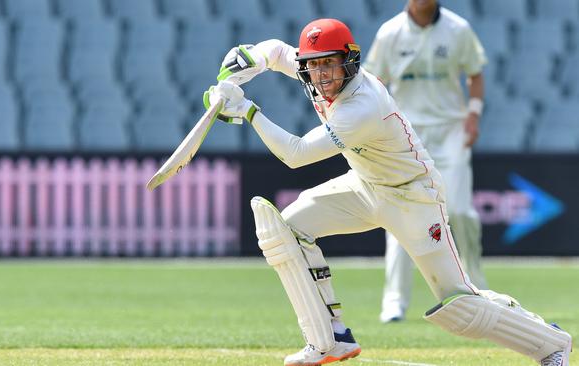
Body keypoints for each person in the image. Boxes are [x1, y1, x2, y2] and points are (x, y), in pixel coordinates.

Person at [205, 18, 571, 366]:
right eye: (314, 67)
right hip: (365, 186)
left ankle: (552, 345)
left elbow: (296, 155)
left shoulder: (363, 105)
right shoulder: (313, 74)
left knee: (460, 303)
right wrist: (245, 59)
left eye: (330, 65)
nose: (323, 76)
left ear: (349, 61)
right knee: (288, 229)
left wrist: (248, 112)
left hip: (414, 197)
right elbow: (276, 52)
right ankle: (330, 338)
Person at [363, 0, 488, 323]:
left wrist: (473, 116)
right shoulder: (389, 32)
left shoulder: (457, 29)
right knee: (401, 214)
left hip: (451, 130)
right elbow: (373, 84)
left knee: (459, 211)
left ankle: (478, 287)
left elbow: (475, 74)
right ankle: (394, 302)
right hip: (406, 133)